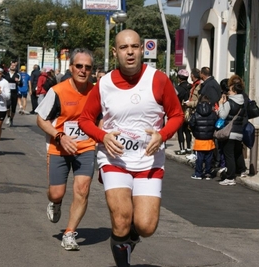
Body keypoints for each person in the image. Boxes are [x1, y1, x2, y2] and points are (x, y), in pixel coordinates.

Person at [78, 29, 183, 267]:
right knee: (122, 219)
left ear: (142, 49)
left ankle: (130, 238)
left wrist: (163, 134)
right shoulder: (104, 84)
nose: (130, 52)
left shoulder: (158, 79)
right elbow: (85, 119)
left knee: (146, 226)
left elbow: (177, 114)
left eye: (134, 47)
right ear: (115, 52)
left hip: (149, 162)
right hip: (115, 161)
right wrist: (103, 137)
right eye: (124, 48)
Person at [36, 48, 98, 251]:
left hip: (85, 148)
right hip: (59, 148)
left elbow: (103, 117)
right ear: (71, 67)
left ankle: (69, 233)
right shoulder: (58, 91)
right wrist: (60, 136)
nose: (83, 70)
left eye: (87, 67)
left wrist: (100, 135)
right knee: (56, 193)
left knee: (82, 190)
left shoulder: (96, 92)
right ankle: (55, 202)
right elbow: (41, 119)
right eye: (79, 66)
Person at [217, 75, 248, 186]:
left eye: (230, 89)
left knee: (228, 154)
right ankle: (242, 170)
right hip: (239, 131)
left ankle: (230, 177)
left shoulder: (230, 103)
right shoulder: (243, 102)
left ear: (234, 90)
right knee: (237, 152)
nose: (228, 92)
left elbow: (223, 115)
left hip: (229, 132)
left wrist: (221, 104)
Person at [188, 95, 218, 180]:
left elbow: (191, 124)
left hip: (199, 139)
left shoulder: (196, 113)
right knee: (209, 157)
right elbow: (216, 123)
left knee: (199, 158)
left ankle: (198, 173)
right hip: (209, 139)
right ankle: (208, 173)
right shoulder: (213, 113)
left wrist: (195, 132)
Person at [175, 69, 192, 155]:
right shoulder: (191, 87)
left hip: (180, 111)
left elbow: (173, 99)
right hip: (189, 111)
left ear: (179, 78)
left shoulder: (178, 89)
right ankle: (189, 148)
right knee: (187, 130)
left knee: (180, 130)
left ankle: (182, 149)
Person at [3, 60, 22, 127]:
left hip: (14, 93)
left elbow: (21, 84)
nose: (13, 66)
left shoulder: (18, 75)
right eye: (12, 65)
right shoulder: (6, 74)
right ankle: (8, 116)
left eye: (14, 66)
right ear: (10, 66)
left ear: (16, 67)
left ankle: (11, 119)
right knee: (7, 106)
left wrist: (18, 81)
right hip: (7, 92)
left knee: (13, 107)